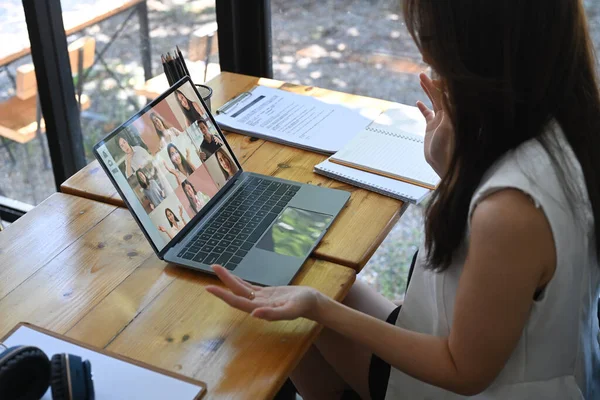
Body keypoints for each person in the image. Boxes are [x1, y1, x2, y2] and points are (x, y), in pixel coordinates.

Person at [206, 1, 600, 399]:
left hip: (461, 384)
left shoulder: (512, 211)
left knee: (283, 303)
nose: (429, 66)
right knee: (289, 269)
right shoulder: (568, 127)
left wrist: (321, 308)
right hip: (459, 338)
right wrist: (453, 170)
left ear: (481, 55)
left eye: (436, 52)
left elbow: (462, 371)